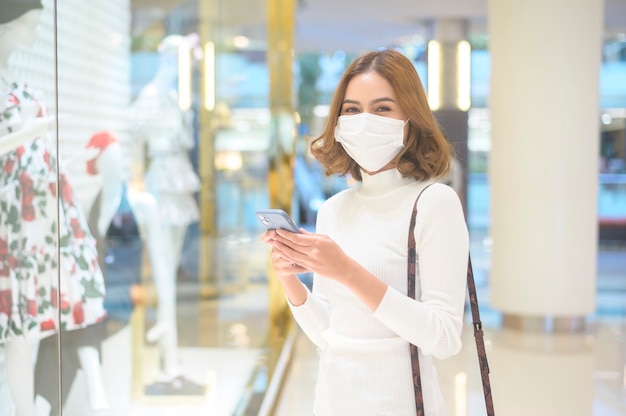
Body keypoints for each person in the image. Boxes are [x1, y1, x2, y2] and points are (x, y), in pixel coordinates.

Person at [260, 49, 469, 415]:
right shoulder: (334, 210)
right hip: (332, 401)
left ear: (412, 118)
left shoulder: (434, 203)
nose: (364, 121)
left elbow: (445, 337)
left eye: (383, 108)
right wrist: (291, 279)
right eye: (352, 110)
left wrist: (346, 270)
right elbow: (330, 334)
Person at [0, 2, 108, 415]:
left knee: (36, 323)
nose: (35, 33)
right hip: (17, 218)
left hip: (43, 215)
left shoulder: (14, 79)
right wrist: (29, 132)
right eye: (29, 24)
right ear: (7, 27)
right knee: (21, 328)